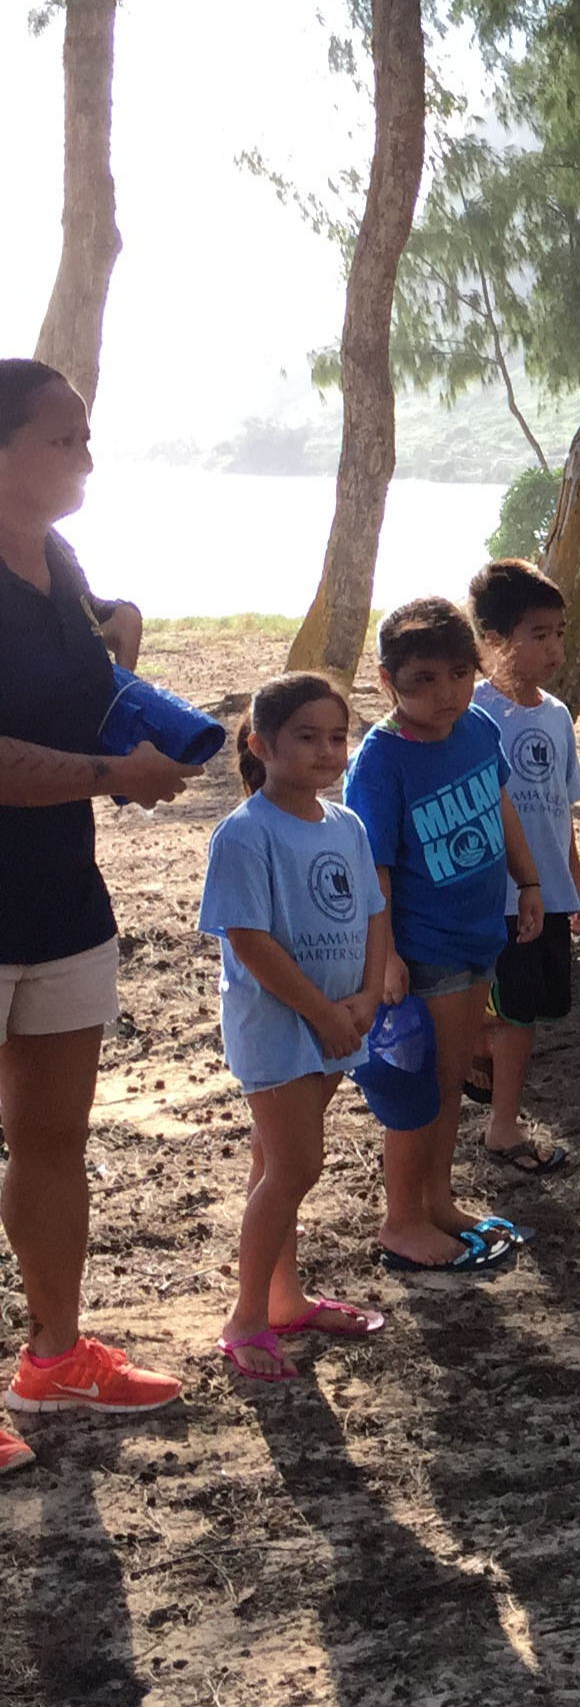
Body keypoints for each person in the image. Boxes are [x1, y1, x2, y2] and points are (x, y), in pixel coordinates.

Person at [0, 358, 231, 1437]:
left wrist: (122, 669)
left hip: (61, 898)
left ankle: (55, 1357)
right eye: (63, 437)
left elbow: (87, 680)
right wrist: (112, 774)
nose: (86, 455)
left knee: (54, 1136)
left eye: (87, 436)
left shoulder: (56, 554)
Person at [198, 670, 409, 1383]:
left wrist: (366, 995)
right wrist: (321, 1012)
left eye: (338, 736)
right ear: (262, 745)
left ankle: (284, 1298)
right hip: (280, 1026)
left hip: (338, 1021)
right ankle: (246, 1319)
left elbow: (376, 910)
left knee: (274, 1163)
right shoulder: (247, 833)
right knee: (296, 1167)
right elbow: (249, 940)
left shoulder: (345, 824)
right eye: (307, 737)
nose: (327, 751)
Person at [340, 601, 529, 1272]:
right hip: (425, 946)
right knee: (428, 1085)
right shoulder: (382, 761)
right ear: (387, 681)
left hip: (480, 933)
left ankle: (439, 1200)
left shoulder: (475, 726)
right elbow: (374, 866)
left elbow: (500, 801)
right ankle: (406, 1218)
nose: (444, 692)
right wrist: (384, 954)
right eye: (422, 680)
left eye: (458, 673)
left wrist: (528, 882)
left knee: (452, 1081)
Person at [459, 562, 580, 1094]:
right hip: (502, 895)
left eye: (559, 633)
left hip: (551, 893)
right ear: (493, 640)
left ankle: (481, 1029)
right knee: (515, 1007)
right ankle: (478, 1051)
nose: (554, 649)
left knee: (547, 1004)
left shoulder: (558, 715)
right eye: (538, 635)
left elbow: (562, 810)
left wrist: (576, 885)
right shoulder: (473, 713)